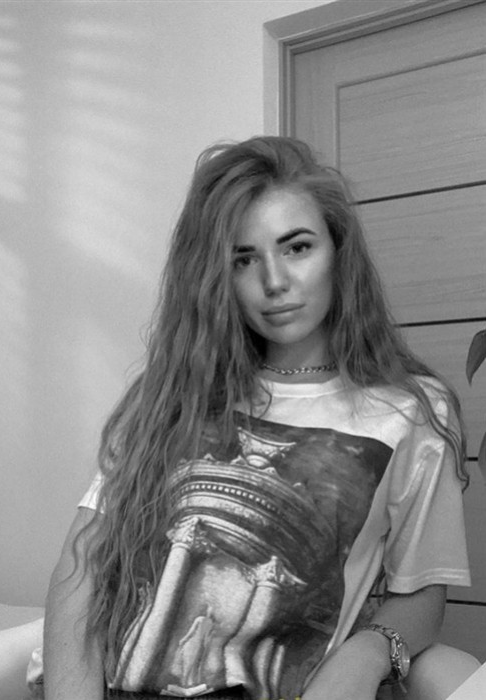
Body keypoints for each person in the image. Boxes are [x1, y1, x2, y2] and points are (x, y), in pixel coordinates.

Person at [25, 136, 479, 700]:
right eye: (244, 259)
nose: (274, 281)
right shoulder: (171, 396)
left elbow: (422, 594)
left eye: (297, 247)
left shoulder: (409, 411)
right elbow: (82, 572)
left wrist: (365, 655)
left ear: (338, 252)